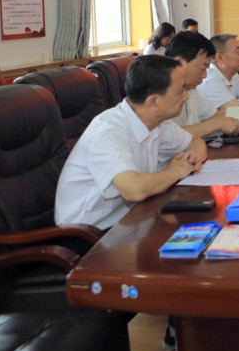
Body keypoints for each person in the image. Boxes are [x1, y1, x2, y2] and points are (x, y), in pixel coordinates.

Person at [54, 55, 208, 230]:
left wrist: (191, 159)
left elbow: (195, 142)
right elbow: (134, 190)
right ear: (153, 102)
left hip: (134, 218)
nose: (186, 96)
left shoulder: (158, 122)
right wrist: (176, 171)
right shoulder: (108, 130)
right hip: (90, 234)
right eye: (180, 91)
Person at [164, 32, 239, 138]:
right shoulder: (158, 92)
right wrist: (218, 124)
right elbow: (168, 135)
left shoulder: (191, 90)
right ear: (179, 63)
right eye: (202, 68)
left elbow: (215, 115)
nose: (204, 75)